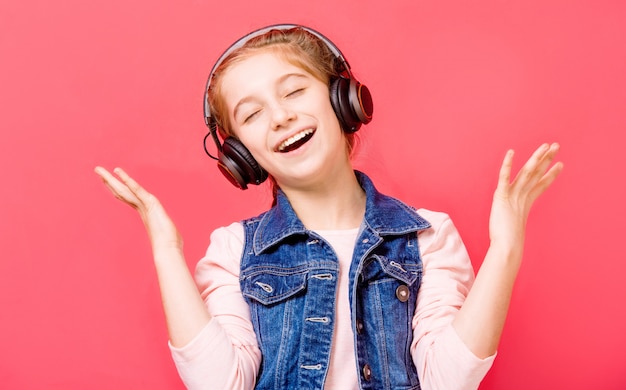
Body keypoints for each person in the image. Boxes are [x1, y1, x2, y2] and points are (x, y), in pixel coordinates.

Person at [95, 24, 563, 390]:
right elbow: (220, 383)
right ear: (241, 156)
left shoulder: (426, 236)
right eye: (251, 114)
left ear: (344, 101)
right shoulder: (233, 250)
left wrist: (504, 250)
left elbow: (448, 380)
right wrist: (165, 249)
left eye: (294, 91)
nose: (280, 116)